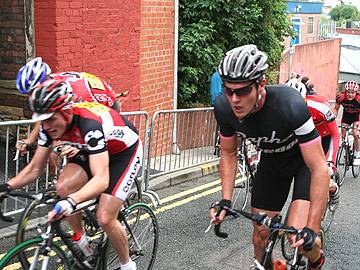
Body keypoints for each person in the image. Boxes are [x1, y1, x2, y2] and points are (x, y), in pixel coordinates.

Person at [209, 44, 329, 270]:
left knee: (298, 238)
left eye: (243, 91)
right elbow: (228, 151)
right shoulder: (224, 107)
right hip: (272, 165)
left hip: (303, 164)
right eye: (228, 90)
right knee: (260, 235)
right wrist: (225, 199)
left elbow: (319, 168)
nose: (234, 99)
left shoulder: (289, 104)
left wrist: (312, 228)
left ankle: (316, 258)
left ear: (261, 84)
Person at [2, 81, 141, 270]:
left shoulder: (89, 124)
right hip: (89, 149)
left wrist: (71, 202)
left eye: (50, 119)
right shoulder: (48, 127)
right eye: (43, 120)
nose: (47, 126)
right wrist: (6, 187)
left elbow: (102, 179)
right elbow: (35, 168)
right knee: (63, 187)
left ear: (66, 112)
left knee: (105, 218)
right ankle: (83, 245)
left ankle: (127, 265)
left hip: (123, 152)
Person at [15, 57, 121, 155]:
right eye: (27, 94)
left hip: (102, 103)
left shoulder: (71, 91)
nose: (31, 97)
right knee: (57, 149)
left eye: (32, 92)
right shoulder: (49, 91)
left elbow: (91, 120)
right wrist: (30, 140)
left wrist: (80, 148)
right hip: (86, 103)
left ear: (43, 83)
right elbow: (45, 117)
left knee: (84, 149)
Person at [306, 94, 340, 205]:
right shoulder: (286, 108)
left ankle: (332, 188)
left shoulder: (321, 107)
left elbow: (335, 134)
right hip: (307, 137)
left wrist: (330, 161)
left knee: (320, 171)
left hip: (325, 136)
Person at [333, 80, 360, 166]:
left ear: (356, 92)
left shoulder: (359, 99)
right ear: (345, 91)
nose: (350, 94)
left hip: (357, 116)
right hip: (346, 116)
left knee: (355, 134)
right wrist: (333, 117)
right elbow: (336, 109)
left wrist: (358, 125)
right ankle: (347, 152)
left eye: (353, 92)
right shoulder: (340, 97)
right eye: (348, 92)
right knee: (343, 136)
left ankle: (358, 155)